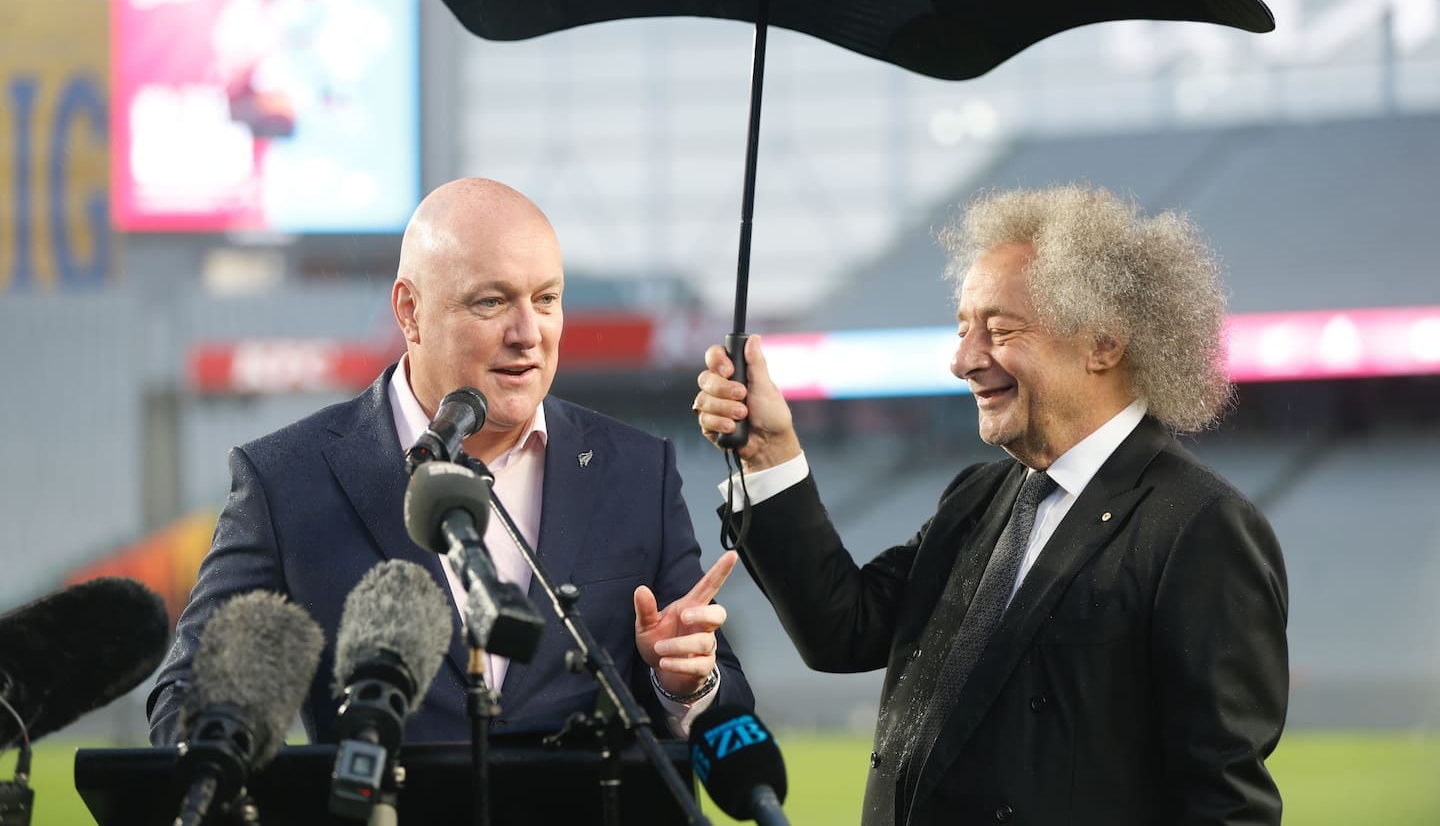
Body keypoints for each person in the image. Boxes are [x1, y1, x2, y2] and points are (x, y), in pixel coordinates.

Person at [693, 184, 1288, 826]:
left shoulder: (1200, 527)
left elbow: (1227, 806)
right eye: (963, 329)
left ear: (1104, 344)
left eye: (999, 331)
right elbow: (844, 630)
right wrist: (769, 452)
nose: (962, 360)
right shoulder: (978, 498)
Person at [150, 177, 752, 745]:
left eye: (546, 299)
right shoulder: (284, 479)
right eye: (491, 302)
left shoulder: (637, 471)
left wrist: (684, 684)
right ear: (410, 311)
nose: (528, 332)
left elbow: (722, 708)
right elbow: (185, 699)